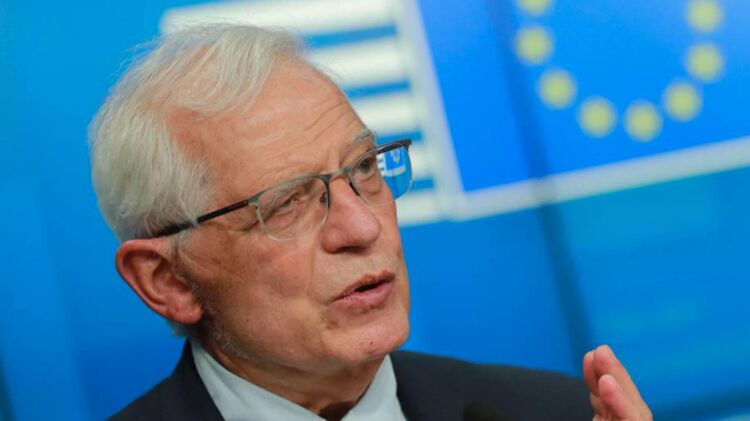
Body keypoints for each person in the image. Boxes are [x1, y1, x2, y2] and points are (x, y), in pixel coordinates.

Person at [89, 24, 652, 421]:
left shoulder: (554, 411)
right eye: (286, 203)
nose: (362, 227)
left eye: (364, 168)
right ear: (170, 280)